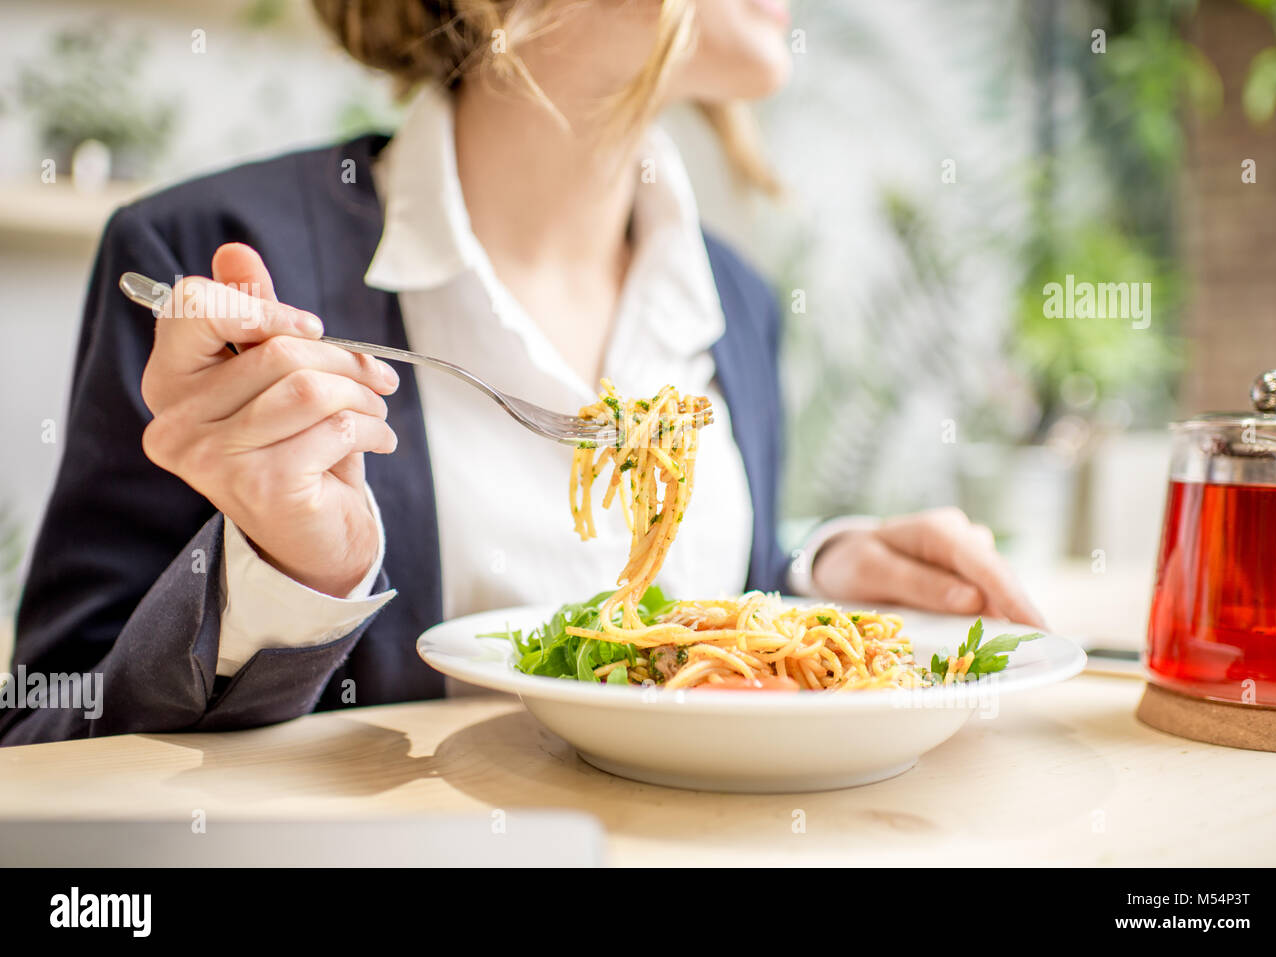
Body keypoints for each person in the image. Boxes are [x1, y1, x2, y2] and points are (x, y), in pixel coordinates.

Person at [2, 0, 1043, 745]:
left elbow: (644, 630)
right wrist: (285, 577)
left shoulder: (735, 294)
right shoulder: (210, 249)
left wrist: (811, 578)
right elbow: (52, 721)